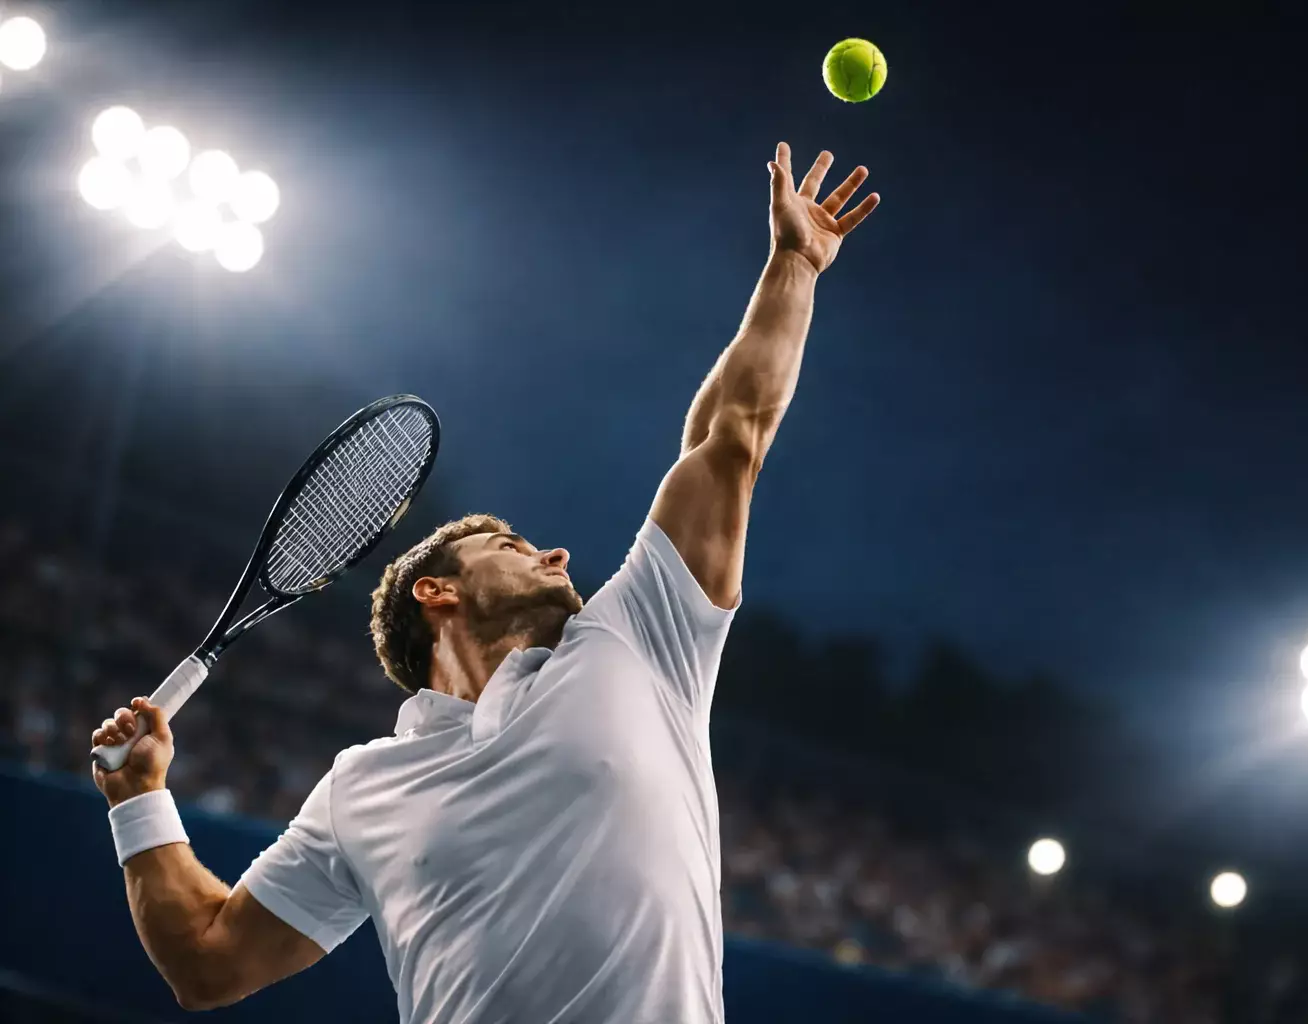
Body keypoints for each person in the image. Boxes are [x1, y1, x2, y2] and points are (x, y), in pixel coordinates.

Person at [89, 141, 880, 1023]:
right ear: (438, 591)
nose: (559, 556)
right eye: (512, 542)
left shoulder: (638, 641)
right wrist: (140, 799)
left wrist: (795, 266)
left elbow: (726, 438)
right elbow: (205, 964)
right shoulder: (362, 788)